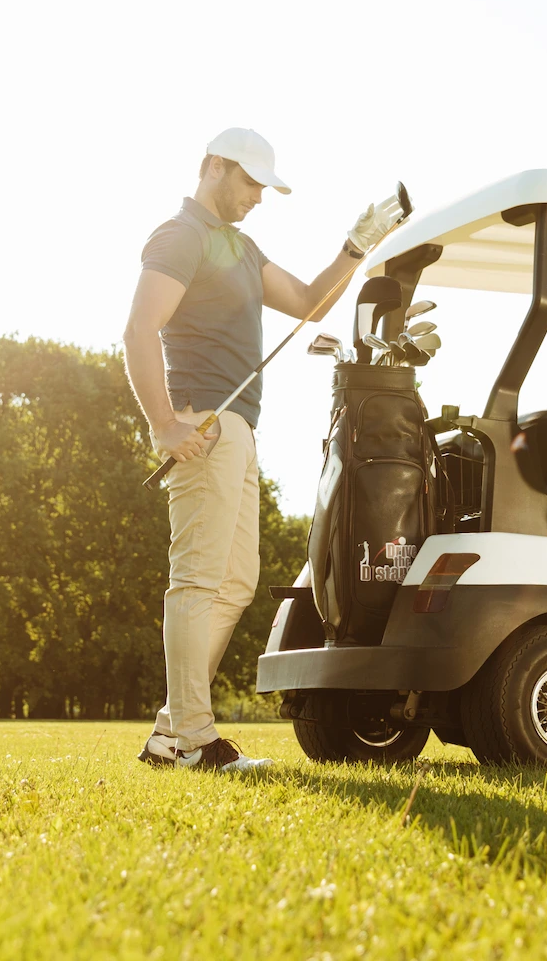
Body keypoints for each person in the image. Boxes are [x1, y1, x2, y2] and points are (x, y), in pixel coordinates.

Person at [124, 128, 402, 771]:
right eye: (249, 181)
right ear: (213, 167)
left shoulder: (241, 249)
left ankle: (172, 731)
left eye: (264, 187)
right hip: (204, 427)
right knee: (198, 580)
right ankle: (192, 737)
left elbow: (308, 303)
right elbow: (139, 329)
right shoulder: (180, 235)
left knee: (236, 583)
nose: (256, 196)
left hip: (239, 433)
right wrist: (163, 423)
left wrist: (356, 246)